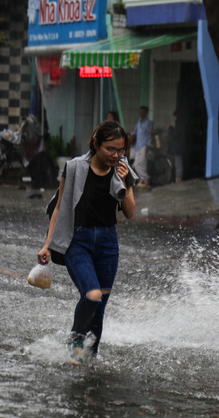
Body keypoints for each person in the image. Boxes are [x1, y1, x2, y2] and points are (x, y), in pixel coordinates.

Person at [37, 120, 136, 364]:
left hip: (108, 244)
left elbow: (130, 212)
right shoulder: (73, 168)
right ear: (96, 144)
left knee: (100, 308)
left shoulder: (123, 170)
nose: (115, 155)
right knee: (92, 295)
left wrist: (125, 183)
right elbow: (59, 207)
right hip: (77, 241)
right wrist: (47, 244)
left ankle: (90, 360)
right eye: (110, 149)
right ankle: (76, 339)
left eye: (120, 150)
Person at [133, 106, 152, 187]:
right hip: (138, 145)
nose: (140, 113)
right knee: (136, 164)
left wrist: (149, 144)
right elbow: (135, 131)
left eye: (142, 112)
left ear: (145, 112)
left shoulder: (149, 122)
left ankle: (143, 180)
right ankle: (145, 177)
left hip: (144, 145)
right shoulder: (139, 122)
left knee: (143, 163)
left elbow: (151, 134)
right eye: (140, 111)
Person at [166, 110, 184, 183]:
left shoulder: (179, 125)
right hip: (178, 148)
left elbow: (175, 135)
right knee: (177, 164)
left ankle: (178, 180)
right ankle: (177, 179)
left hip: (177, 148)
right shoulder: (181, 125)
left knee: (178, 164)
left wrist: (170, 128)